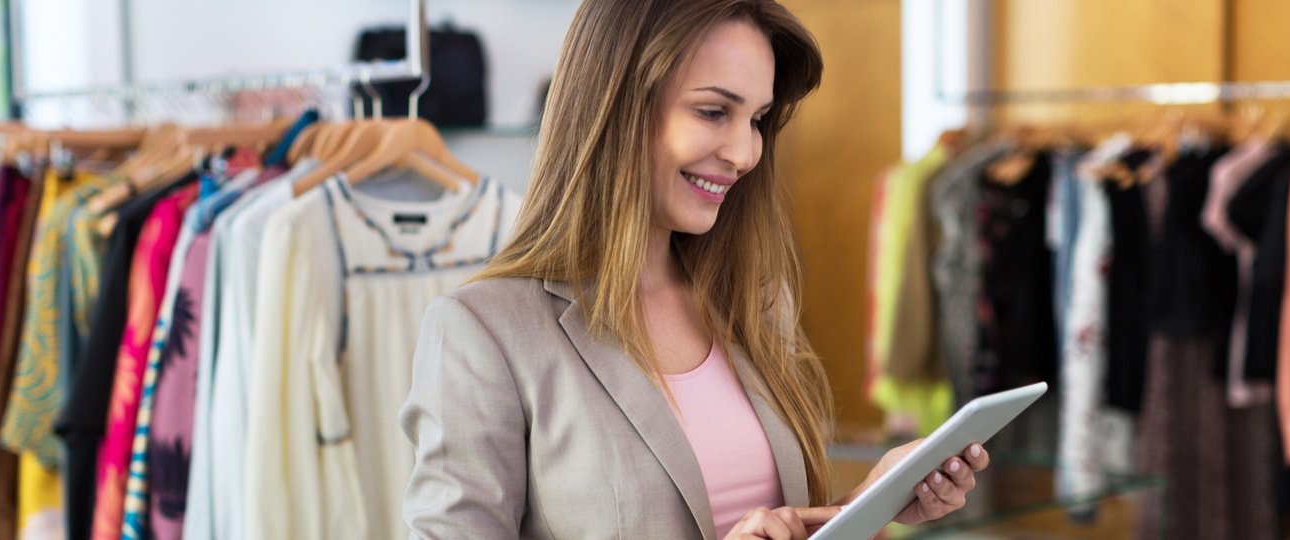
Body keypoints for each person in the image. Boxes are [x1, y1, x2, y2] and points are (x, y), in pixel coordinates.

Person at [399, 0, 989, 538]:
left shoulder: (755, 301)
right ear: (615, 106)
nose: (745, 152)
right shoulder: (484, 332)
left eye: (757, 118)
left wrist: (870, 502)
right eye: (713, 111)